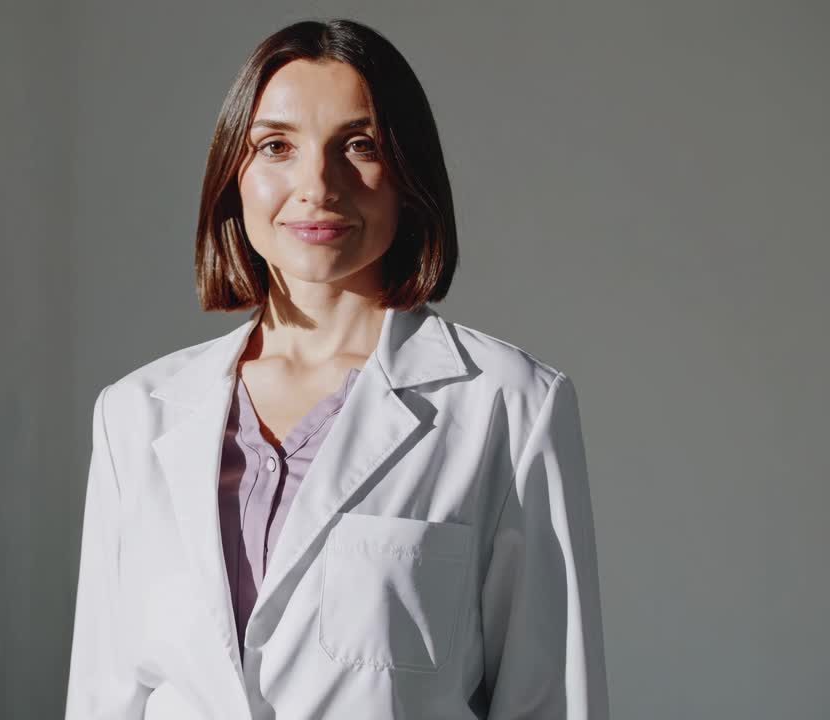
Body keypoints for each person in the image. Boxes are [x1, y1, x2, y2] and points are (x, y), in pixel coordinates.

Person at [65, 17, 608, 720]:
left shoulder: (512, 408)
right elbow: (105, 696)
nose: (317, 183)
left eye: (358, 144)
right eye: (276, 146)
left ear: (409, 175)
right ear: (234, 173)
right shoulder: (135, 415)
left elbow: (550, 704)